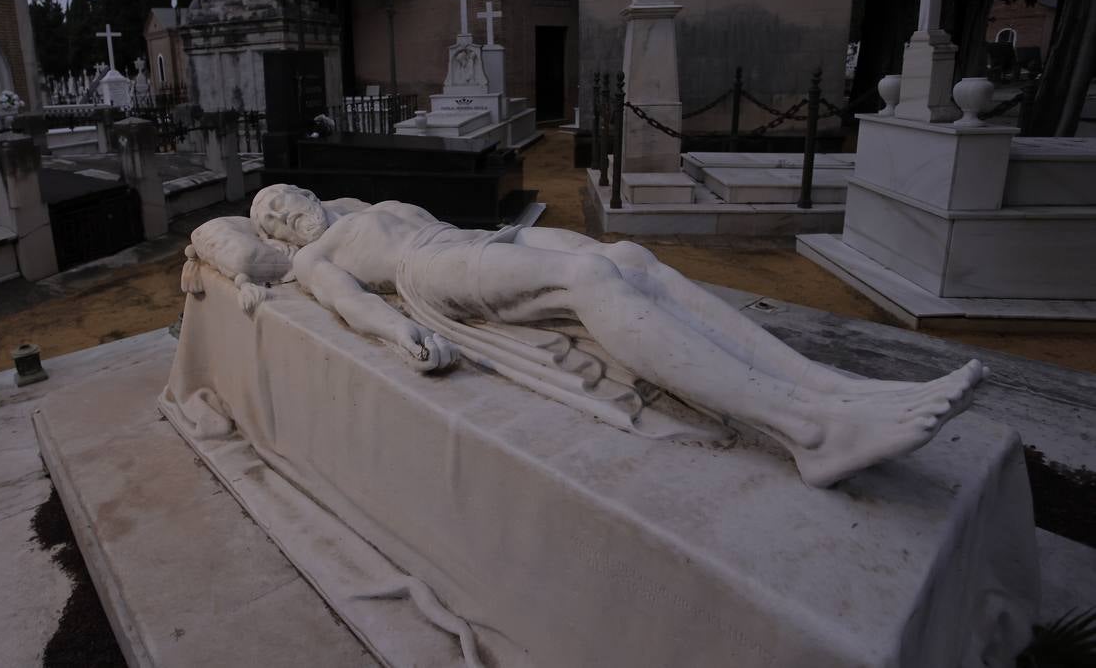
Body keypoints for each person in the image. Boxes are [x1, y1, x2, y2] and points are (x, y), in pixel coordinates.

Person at [249, 184, 986, 488]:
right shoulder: (315, 259)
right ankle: (811, 432)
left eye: (285, 202)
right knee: (590, 283)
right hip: (433, 271)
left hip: (479, 239)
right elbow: (350, 306)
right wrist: (400, 333)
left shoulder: (358, 205)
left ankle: (836, 387)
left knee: (631, 259)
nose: (287, 218)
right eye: (272, 224)